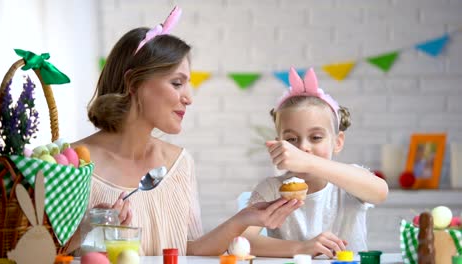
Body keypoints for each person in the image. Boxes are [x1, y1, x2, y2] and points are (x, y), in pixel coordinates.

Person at [70, 6, 302, 256]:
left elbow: (189, 250)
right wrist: (89, 228)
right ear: (132, 83)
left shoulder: (180, 164)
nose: (189, 98)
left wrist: (242, 220)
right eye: (177, 83)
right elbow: (38, 252)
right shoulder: (73, 162)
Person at [242, 67, 389, 258]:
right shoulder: (271, 189)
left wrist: (309, 162)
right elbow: (242, 241)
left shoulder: (348, 182)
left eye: (316, 137)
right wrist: (301, 249)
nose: (303, 147)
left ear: (338, 142)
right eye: (292, 139)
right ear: (279, 143)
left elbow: (380, 192)